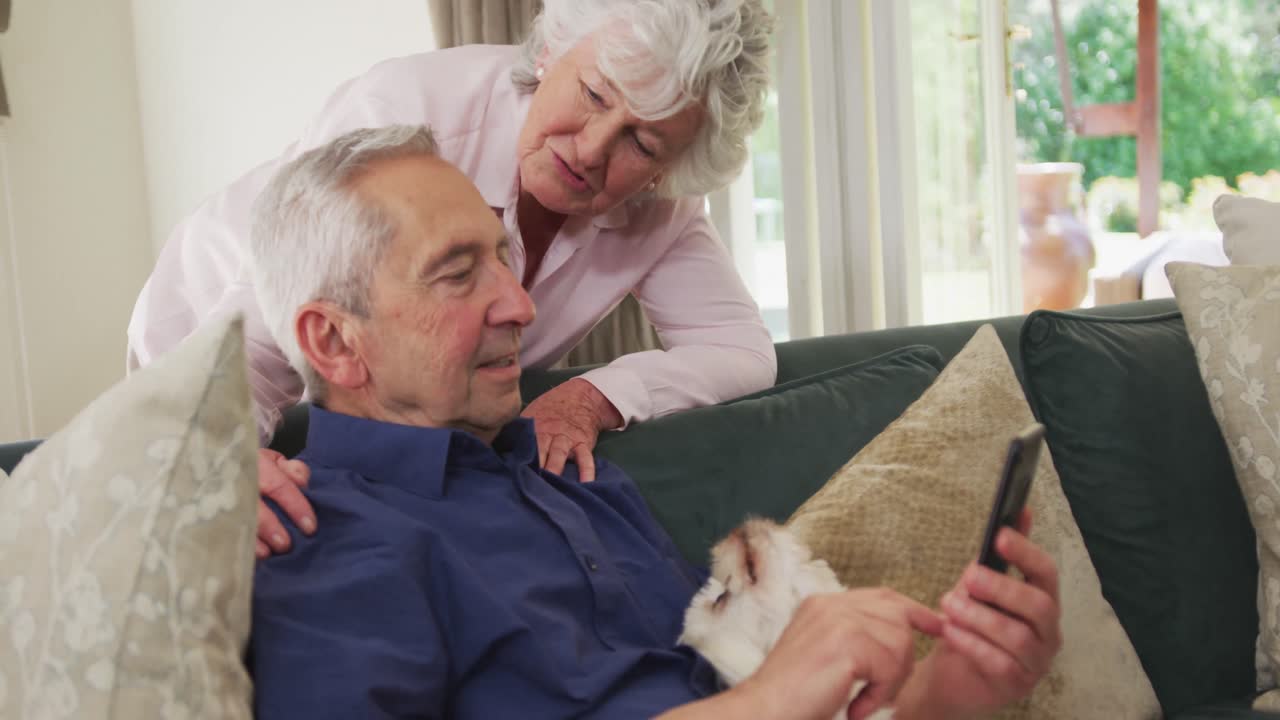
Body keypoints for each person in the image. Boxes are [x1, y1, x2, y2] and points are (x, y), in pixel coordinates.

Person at [248, 125, 1063, 720]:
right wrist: (774, 698)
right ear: (335, 341)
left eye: (502, 257)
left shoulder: (564, 471)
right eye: (459, 275)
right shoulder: (324, 537)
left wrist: (959, 684)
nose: (521, 303)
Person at [126, 0, 780, 558]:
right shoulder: (406, 111)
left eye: (642, 143)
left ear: (670, 169)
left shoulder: (661, 209)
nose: (591, 149)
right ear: (552, 50)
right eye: (594, 94)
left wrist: (596, 395)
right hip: (216, 336)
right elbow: (269, 332)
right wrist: (218, 451)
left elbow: (738, 348)